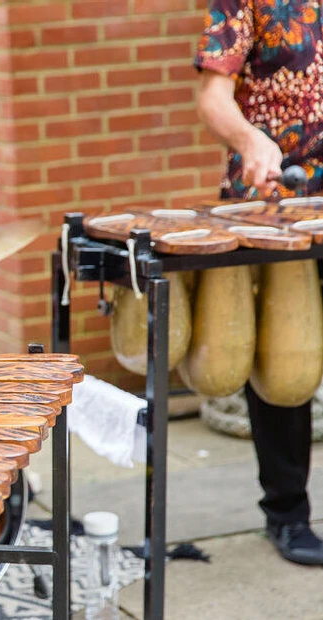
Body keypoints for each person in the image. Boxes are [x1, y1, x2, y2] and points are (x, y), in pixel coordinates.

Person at [195, 0, 323, 565]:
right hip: (274, 206)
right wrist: (251, 142)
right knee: (281, 365)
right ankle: (288, 513)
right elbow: (213, 97)